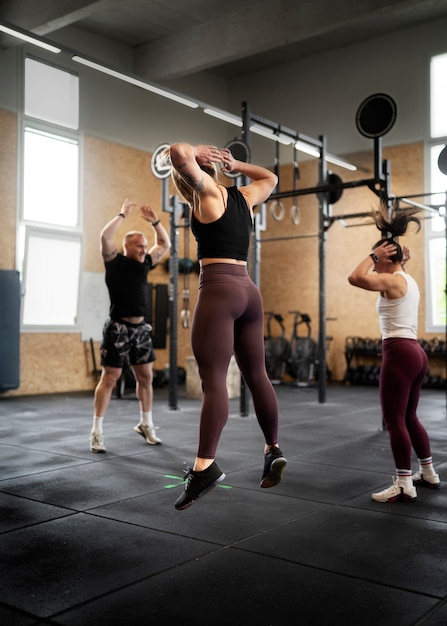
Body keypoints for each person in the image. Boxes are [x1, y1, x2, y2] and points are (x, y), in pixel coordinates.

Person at [169, 142, 287, 510]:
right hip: (249, 292)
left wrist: (195, 150)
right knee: (258, 375)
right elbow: (271, 176)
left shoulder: (207, 194)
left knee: (214, 381)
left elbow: (176, 151)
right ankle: (272, 448)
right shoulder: (245, 197)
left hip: (219, 291)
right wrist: (238, 164)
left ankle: (205, 466)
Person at [347, 203, 440, 502]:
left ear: (387, 258)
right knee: (409, 416)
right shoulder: (406, 279)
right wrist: (393, 258)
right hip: (415, 352)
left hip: (400, 352)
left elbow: (355, 277)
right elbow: (386, 275)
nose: (374, 266)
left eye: (379, 260)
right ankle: (427, 472)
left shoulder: (389, 279)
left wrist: (374, 255)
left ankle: (403, 483)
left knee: (394, 419)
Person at [90, 199, 171, 453]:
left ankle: (146, 424)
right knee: (110, 377)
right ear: (127, 246)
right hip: (118, 329)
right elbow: (105, 235)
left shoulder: (145, 263)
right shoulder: (114, 261)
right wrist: (122, 214)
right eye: (139, 246)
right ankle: (97, 431)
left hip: (141, 331)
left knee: (146, 378)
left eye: (145, 246)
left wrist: (156, 222)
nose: (143, 250)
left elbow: (165, 244)